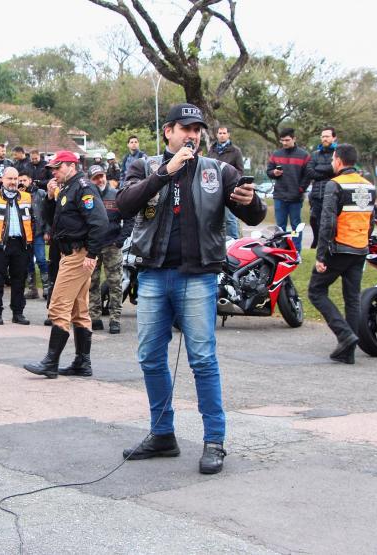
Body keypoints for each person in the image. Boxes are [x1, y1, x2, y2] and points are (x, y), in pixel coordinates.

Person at [116, 103, 266, 475]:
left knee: (202, 360)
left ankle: (214, 440)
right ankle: (162, 433)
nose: (193, 135)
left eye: (197, 129)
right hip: (152, 275)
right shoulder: (144, 166)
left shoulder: (218, 169)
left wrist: (252, 202)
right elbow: (123, 204)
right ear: (168, 131)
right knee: (150, 356)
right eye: (185, 128)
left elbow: (253, 212)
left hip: (198, 276)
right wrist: (165, 173)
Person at [23, 150, 108, 378]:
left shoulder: (83, 187)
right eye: (52, 168)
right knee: (79, 310)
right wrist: (50, 198)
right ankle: (82, 362)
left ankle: (51, 362)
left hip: (78, 254)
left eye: (58, 167)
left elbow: (99, 223)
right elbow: (53, 221)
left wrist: (92, 253)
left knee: (58, 306)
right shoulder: (66, 189)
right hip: (68, 253)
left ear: (72, 165)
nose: (54, 172)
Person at [307, 144, 377, 365]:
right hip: (360, 248)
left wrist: (321, 255)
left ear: (337, 160)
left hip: (339, 248)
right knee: (352, 299)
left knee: (316, 291)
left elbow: (327, 220)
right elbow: (371, 221)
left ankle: (344, 335)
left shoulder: (334, 185)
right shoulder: (369, 186)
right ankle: (348, 351)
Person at [0, 166, 35, 325]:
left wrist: (29, 242)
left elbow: (33, 220)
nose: (12, 182)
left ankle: (18, 313)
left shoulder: (26, 197)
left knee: (19, 280)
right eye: (9, 178)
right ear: (2, 179)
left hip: (20, 245)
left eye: (15, 179)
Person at [86, 165, 132, 335]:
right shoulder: (86, 196)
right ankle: (95, 317)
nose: (99, 180)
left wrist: (120, 240)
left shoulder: (117, 195)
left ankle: (115, 319)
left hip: (112, 246)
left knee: (115, 284)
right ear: (90, 179)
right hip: (93, 247)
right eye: (95, 177)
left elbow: (129, 219)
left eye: (102, 176)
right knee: (92, 283)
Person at [267, 128, 310, 251]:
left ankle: (296, 252)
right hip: (280, 196)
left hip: (296, 197)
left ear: (294, 139)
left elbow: (308, 176)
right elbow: (269, 172)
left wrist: (301, 189)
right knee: (280, 227)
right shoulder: (276, 155)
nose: (285, 143)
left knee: (296, 227)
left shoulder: (304, 155)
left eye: (287, 140)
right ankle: (281, 251)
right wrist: (274, 172)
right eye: (282, 140)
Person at [206, 126, 246, 239]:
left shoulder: (235, 151)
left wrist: (231, 181)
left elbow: (240, 171)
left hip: (229, 190)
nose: (222, 135)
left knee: (230, 219)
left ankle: (234, 244)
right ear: (217, 135)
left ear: (228, 135)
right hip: (213, 190)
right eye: (220, 133)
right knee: (214, 218)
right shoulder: (212, 150)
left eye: (224, 133)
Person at [305, 127, 338, 248]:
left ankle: (330, 245)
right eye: (323, 136)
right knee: (314, 220)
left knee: (330, 221)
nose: (325, 139)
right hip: (316, 194)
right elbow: (309, 172)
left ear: (334, 138)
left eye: (327, 136)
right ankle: (317, 243)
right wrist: (329, 169)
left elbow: (337, 170)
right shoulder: (314, 154)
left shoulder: (338, 153)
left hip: (333, 194)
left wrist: (319, 168)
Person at [18, 170, 49, 300]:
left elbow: (47, 213)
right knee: (28, 262)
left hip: (38, 233)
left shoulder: (40, 194)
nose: (21, 183)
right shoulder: (17, 195)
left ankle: (47, 287)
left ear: (30, 180)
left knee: (41, 259)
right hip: (24, 234)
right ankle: (32, 289)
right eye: (20, 180)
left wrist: (47, 231)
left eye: (24, 180)